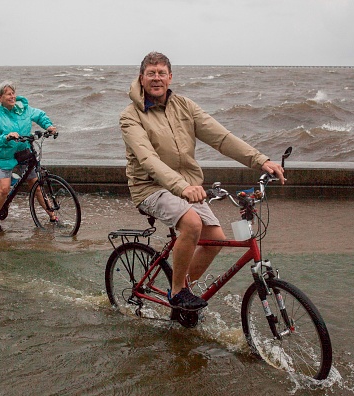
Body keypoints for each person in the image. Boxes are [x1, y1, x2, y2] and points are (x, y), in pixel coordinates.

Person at [120, 52, 285, 311]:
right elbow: (148, 159)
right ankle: (177, 293)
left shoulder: (184, 106)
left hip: (187, 187)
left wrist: (260, 160)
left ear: (170, 77)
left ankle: (182, 289)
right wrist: (183, 187)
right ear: (141, 78)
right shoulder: (131, 116)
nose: (156, 78)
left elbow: (221, 137)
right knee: (192, 223)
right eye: (151, 73)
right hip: (151, 187)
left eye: (161, 73)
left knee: (215, 238)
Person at [0, 81, 57, 233]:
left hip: (23, 154)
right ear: (0, 98)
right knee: (4, 188)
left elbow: (39, 116)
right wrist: (6, 137)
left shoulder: (23, 108)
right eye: (8, 94)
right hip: (5, 156)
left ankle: (52, 215)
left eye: (13, 93)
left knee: (36, 186)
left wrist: (48, 127)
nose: (12, 96)